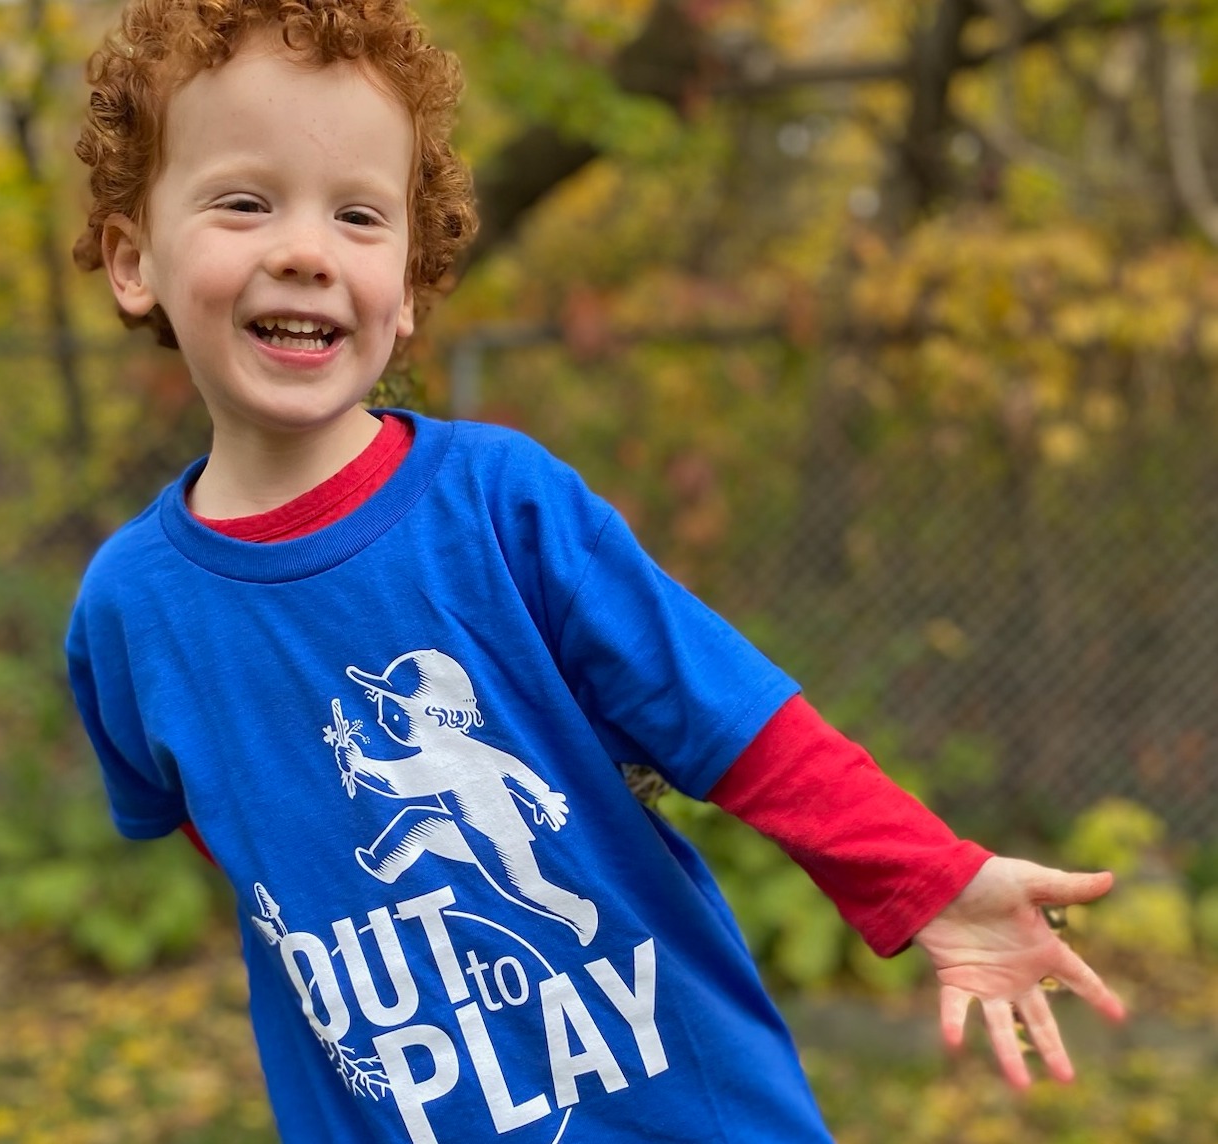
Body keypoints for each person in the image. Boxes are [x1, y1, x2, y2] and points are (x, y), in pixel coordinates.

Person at [63, 2, 1125, 1141]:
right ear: (134, 261)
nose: (305, 251)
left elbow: (730, 716)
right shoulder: (129, 613)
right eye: (243, 202)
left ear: (407, 286)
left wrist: (927, 877)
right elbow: (238, 838)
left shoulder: (497, 504)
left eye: (359, 215)